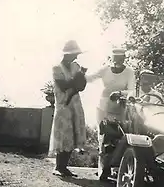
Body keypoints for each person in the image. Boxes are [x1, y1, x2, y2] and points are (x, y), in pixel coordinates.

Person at [85, 48, 136, 178]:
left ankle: (118, 166)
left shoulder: (129, 72)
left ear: (124, 58)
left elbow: (131, 90)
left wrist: (120, 93)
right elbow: (90, 78)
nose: (118, 61)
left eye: (121, 58)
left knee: (118, 135)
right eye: (115, 58)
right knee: (102, 135)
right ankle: (103, 168)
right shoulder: (105, 70)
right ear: (112, 58)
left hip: (120, 108)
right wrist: (80, 73)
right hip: (103, 106)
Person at [49, 40, 88, 177]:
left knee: (73, 135)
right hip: (63, 104)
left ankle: (64, 167)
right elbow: (63, 86)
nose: (76, 57)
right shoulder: (57, 69)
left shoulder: (75, 66)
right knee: (64, 134)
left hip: (75, 104)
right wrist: (77, 78)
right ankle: (58, 166)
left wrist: (79, 78)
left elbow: (81, 86)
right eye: (74, 54)